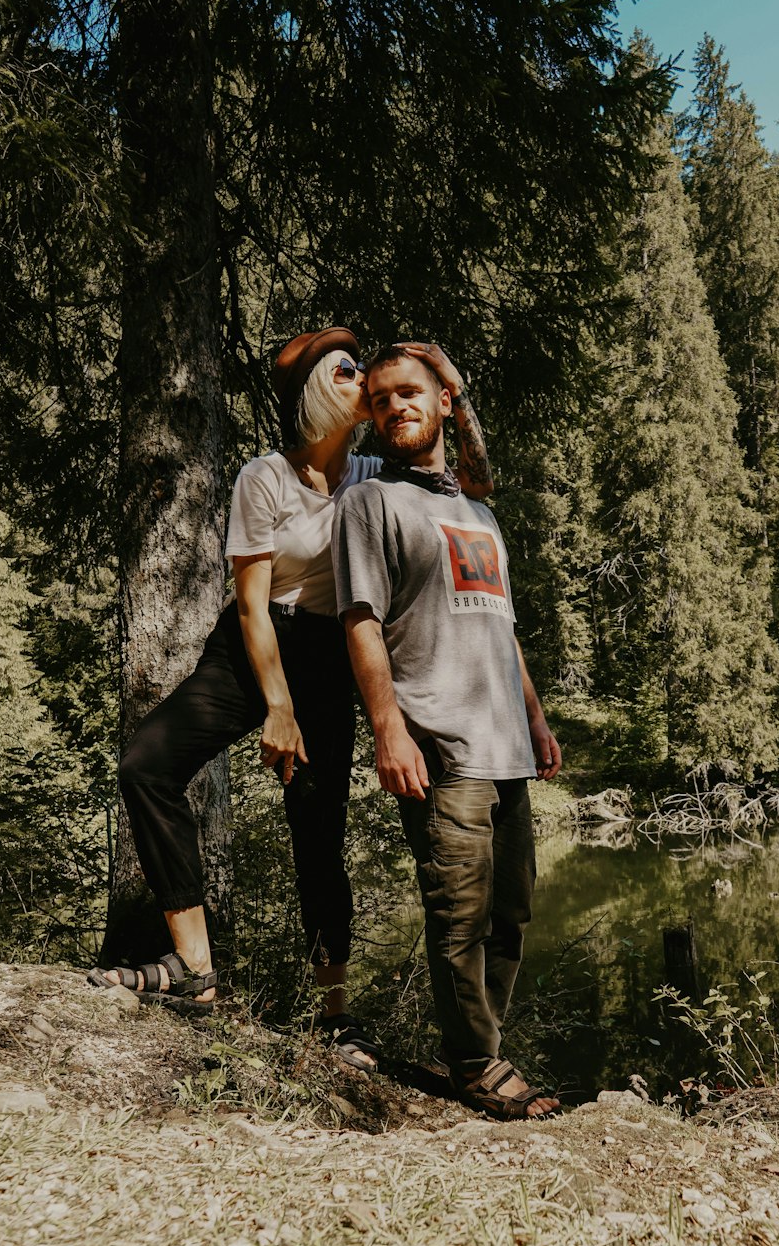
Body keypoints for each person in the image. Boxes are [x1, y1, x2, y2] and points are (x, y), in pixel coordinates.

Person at [90, 328, 493, 1073]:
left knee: (318, 831)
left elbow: (468, 487)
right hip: (251, 651)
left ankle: (338, 1018)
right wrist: (276, 708)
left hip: (327, 660)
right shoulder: (265, 477)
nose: (364, 380)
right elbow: (249, 607)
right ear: (315, 392)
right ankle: (194, 967)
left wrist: (452, 389)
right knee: (145, 764)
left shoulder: (376, 473)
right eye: (348, 371)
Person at [332, 345, 563, 1118]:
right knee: (458, 915)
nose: (398, 405)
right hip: (440, 741)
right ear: (373, 415)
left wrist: (535, 717)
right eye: (384, 398)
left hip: (506, 746)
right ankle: (475, 1065)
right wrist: (388, 731)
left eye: (413, 394)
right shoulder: (371, 505)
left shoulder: (478, 512)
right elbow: (361, 622)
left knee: (512, 914)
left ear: (440, 403)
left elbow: (502, 627)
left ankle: (475, 1047)